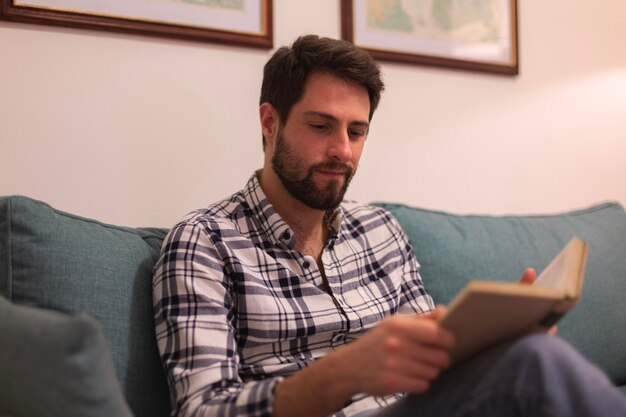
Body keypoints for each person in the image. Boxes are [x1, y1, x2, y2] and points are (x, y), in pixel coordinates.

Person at [152, 35, 626, 417]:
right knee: (536, 367)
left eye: (356, 132)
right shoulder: (203, 243)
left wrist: (495, 342)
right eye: (321, 127)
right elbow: (201, 408)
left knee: (527, 359)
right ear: (269, 121)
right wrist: (344, 373)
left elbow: (436, 364)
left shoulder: (380, 229)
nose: (344, 151)